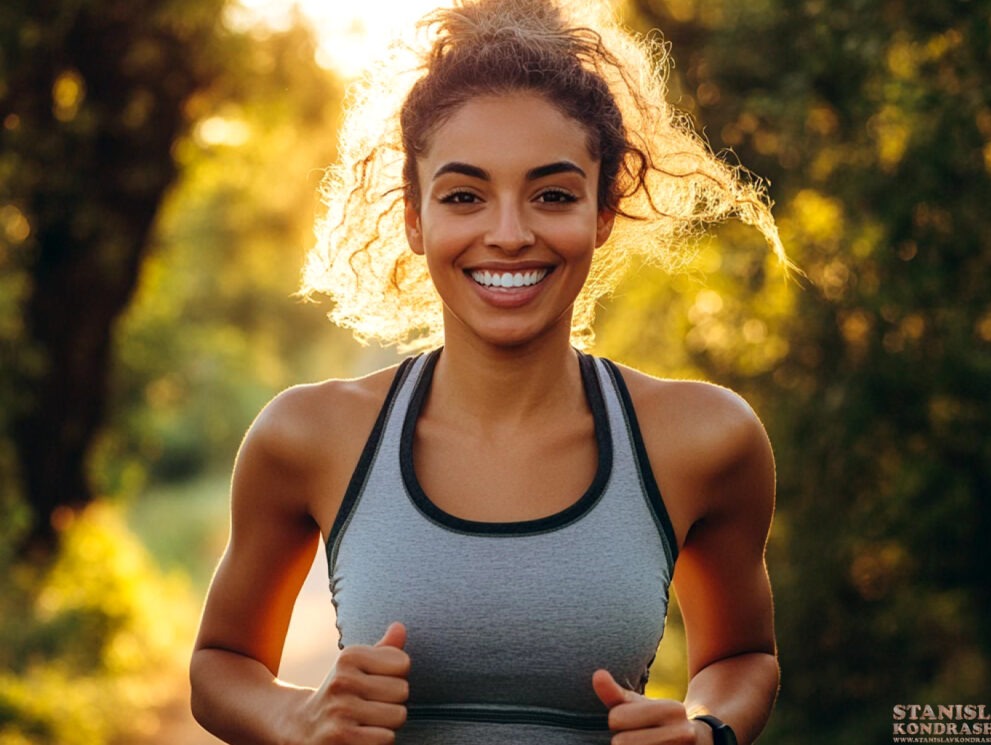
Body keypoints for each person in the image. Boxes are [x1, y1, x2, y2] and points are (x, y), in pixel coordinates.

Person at [190, 1, 785, 743]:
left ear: (604, 209)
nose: (508, 234)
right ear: (415, 213)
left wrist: (707, 730)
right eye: (465, 195)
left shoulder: (706, 439)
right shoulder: (308, 434)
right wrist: (295, 716)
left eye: (554, 194)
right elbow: (221, 663)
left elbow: (743, 656)